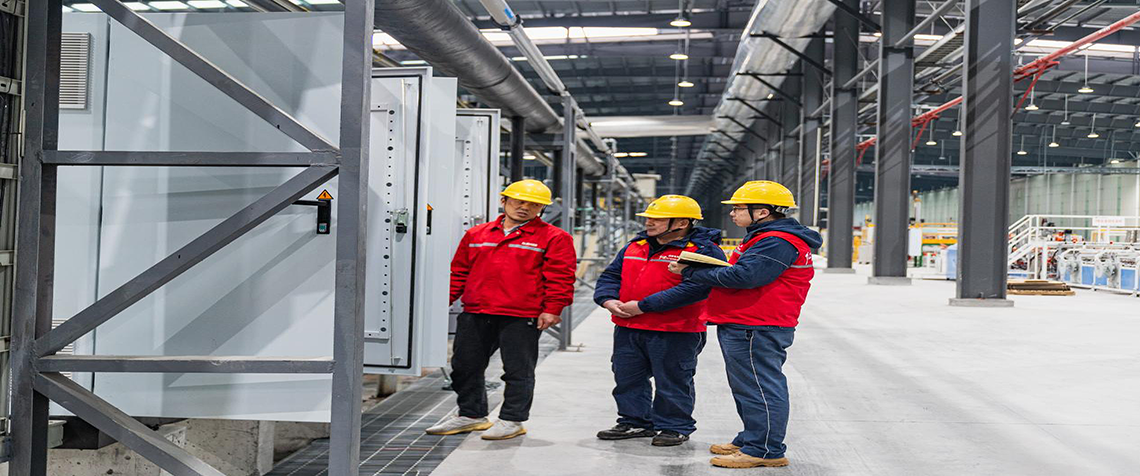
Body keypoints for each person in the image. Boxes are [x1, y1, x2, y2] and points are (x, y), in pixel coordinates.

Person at [667, 181, 822, 469]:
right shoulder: (764, 238)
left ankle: (765, 450)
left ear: (762, 212)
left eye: (738, 208)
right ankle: (753, 437)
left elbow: (745, 277)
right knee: (747, 386)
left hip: (758, 324)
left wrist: (692, 271)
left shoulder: (776, 241)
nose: (733, 213)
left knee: (759, 387)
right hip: (747, 321)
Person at [426, 179, 577, 440]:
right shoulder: (477, 234)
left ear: (541, 209)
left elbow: (561, 276)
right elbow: (459, 272)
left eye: (534, 205)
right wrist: (442, 302)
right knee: (464, 365)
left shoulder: (554, 238)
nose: (525, 207)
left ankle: (512, 420)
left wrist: (553, 308)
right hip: (477, 311)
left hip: (521, 314)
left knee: (517, 370)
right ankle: (471, 415)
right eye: (519, 201)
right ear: (504, 200)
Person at [592, 195, 726, 447]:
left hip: (676, 329)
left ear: (682, 223)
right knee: (627, 376)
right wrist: (607, 299)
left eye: (658, 219)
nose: (649, 222)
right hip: (629, 326)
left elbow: (696, 288)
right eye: (649, 218)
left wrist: (643, 306)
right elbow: (611, 275)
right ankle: (635, 421)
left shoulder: (702, 251)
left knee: (673, 379)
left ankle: (675, 426)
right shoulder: (635, 246)